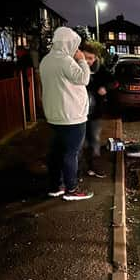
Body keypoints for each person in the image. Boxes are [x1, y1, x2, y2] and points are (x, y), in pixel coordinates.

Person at [39, 27, 94, 201]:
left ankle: (56, 186)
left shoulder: (46, 61)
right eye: (73, 44)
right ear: (68, 43)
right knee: (71, 153)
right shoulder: (65, 61)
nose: (75, 48)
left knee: (57, 152)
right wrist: (82, 61)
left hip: (54, 115)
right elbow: (84, 79)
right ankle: (72, 189)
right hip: (71, 115)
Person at [80, 42, 111, 178]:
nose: (89, 61)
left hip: (95, 111)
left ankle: (94, 167)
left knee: (94, 140)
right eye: (86, 58)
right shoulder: (76, 67)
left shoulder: (100, 69)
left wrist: (105, 88)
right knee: (80, 143)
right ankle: (77, 172)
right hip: (78, 113)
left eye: (91, 58)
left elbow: (113, 81)